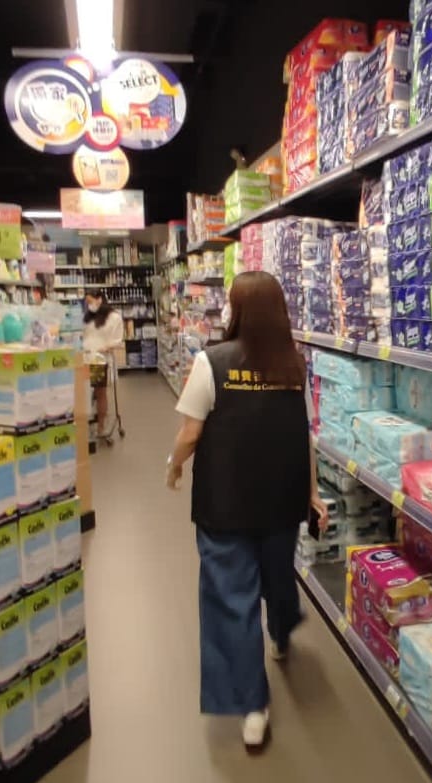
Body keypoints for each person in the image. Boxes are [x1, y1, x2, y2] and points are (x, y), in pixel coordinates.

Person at [165, 271, 329, 752]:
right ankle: (281, 630)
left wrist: (173, 466)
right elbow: (303, 435)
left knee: (231, 600)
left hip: (227, 504)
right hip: (281, 501)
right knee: (277, 577)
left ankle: (253, 707)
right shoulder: (293, 365)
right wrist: (312, 493)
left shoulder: (211, 362)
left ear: (235, 311)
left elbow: (190, 433)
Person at [83, 289, 124, 437]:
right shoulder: (88, 316)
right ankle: (87, 425)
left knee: (100, 392)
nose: (89, 305)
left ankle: (101, 426)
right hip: (85, 358)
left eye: (90, 301)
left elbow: (117, 340)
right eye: (87, 303)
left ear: (99, 299)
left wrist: (104, 347)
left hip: (99, 360)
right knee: (85, 393)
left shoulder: (114, 317)